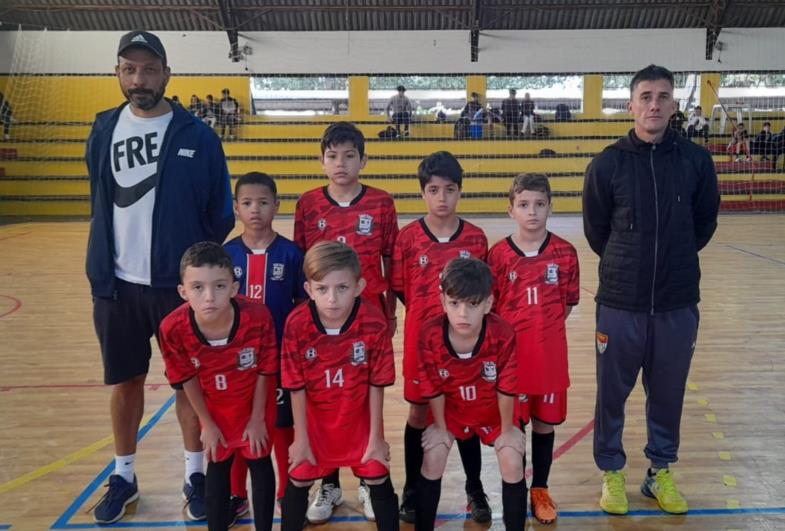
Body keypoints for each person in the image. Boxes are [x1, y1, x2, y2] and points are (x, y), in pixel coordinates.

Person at [85, 30, 235, 524]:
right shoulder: (104, 129)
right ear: (118, 73)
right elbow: (100, 202)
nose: (139, 79)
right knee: (124, 381)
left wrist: (187, 267)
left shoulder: (198, 135)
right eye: (129, 69)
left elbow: (220, 213)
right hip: (117, 286)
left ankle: (194, 475)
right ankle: (124, 475)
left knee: (188, 385)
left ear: (167, 74)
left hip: (177, 290)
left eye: (149, 69)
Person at [583, 64, 720, 516]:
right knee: (612, 395)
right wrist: (632, 264)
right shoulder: (608, 163)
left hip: (678, 301)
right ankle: (612, 471)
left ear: (675, 104)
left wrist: (673, 258)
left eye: (663, 96)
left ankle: (659, 470)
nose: (654, 104)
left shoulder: (696, 161)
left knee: (667, 394)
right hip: (621, 302)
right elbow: (596, 229)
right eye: (646, 96)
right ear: (631, 104)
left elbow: (703, 224)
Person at [293, 121, 399, 523]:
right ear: (322, 162)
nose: (340, 163)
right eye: (332, 156)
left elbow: (391, 259)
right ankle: (330, 482)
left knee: (364, 395)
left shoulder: (381, 203)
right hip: (323, 321)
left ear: (363, 160)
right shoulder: (308, 204)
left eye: (349, 155)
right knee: (325, 399)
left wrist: (389, 313)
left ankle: (368, 482)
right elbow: (305, 263)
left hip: (368, 321)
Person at [391, 151, 490, 524]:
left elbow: (482, 294)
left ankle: (474, 488)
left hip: (467, 343)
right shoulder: (408, 238)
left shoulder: (477, 239)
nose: (442, 198)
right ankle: (413, 488)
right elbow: (401, 288)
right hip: (422, 342)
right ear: (423, 193)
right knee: (419, 412)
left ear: (460, 191)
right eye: (434, 190)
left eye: (450, 189)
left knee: (466, 412)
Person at [279, 241, 400, 531]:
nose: (332, 298)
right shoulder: (297, 324)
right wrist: (301, 438)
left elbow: (377, 383)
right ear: (308, 289)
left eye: (342, 288)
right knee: (299, 475)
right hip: (315, 424)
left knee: (377, 472)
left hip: (359, 420)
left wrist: (375, 437)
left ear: (359, 286)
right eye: (322, 289)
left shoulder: (373, 321)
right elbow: (295, 385)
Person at [159, 242, 279, 530]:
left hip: (254, 403)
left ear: (235, 288)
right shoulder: (172, 328)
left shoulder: (258, 317)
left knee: (259, 459)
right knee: (218, 462)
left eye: (220, 286)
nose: (209, 297)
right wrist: (207, 423)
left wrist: (257, 418)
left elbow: (266, 370)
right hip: (214, 407)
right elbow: (186, 378)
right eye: (198, 287)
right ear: (183, 292)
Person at [487, 173, 580, 524]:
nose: (532, 212)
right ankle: (513, 487)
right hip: (512, 362)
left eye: (540, 204)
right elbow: (491, 310)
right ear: (511, 210)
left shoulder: (565, 254)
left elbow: (567, 304)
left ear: (550, 207)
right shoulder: (497, 256)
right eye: (524, 205)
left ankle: (540, 489)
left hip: (551, 358)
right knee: (514, 428)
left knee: (545, 425)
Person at [415, 258, 526, 531]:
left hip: (493, 411)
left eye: (473, 304)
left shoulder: (502, 333)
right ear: (443, 302)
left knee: (513, 460)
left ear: (488, 304)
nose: (463, 313)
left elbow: (507, 385)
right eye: (455, 304)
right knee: (433, 457)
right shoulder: (430, 334)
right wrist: (440, 427)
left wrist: (509, 429)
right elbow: (433, 387)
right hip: (452, 412)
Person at [223, 172, 307, 523]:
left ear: (276, 205)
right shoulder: (225, 254)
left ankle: (287, 495)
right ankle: (236, 495)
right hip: (237, 363)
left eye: (262, 202)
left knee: (282, 428)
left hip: (280, 361)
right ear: (236, 208)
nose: (255, 209)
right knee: (240, 429)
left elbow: (303, 307)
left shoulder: (290, 254)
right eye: (246, 203)